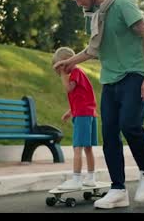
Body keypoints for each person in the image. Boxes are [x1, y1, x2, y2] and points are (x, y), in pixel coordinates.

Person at [54, 0, 144, 209]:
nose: (79, 4)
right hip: (110, 79)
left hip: (134, 74)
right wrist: (70, 61)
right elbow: (94, 49)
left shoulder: (122, 3)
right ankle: (118, 189)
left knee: (130, 125)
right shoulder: (94, 13)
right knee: (110, 134)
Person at [52, 47, 99, 190]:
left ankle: (76, 179)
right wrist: (70, 111)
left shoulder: (76, 72)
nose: (61, 70)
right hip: (88, 113)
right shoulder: (79, 74)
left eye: (62, 66)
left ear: (68, 62)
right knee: (87, 148)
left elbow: (69, 89)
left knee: (77, 148)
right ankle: (90, 177)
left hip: (83, 115)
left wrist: (62, 74)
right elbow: (81, 97)